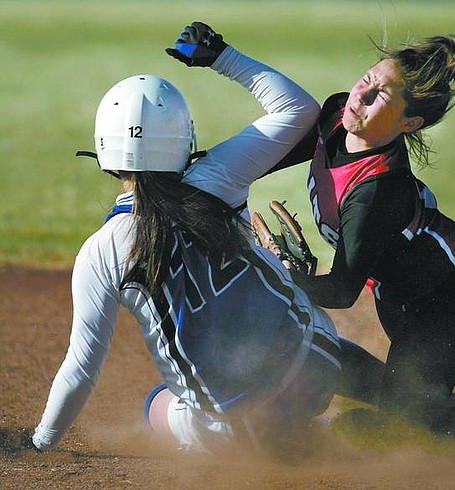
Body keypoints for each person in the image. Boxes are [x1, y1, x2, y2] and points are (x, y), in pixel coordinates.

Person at [31, 22, 343, 454]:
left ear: (104, 149)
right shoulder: (218, 176)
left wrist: (41, 443)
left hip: (243, 436)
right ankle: (370, 417)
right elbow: (300, 110)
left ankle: (325, 435)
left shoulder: (100, 252)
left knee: (158, 405)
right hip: (318, 368)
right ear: (183, 136)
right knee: (291, 307)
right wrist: (223, 58)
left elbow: (82, 371)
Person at [262, 35, 455, 428]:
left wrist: (279, 279)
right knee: (402, 395)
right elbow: (293, 148)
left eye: (379, 98)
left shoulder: (375, 191)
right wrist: (221, 170)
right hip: (399, 289)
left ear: (409, 123)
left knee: (409, 428)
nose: (362, 95)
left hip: (447, 296)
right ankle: (427, 397)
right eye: (367, 80)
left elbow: (341, 290)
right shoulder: (340, 112)